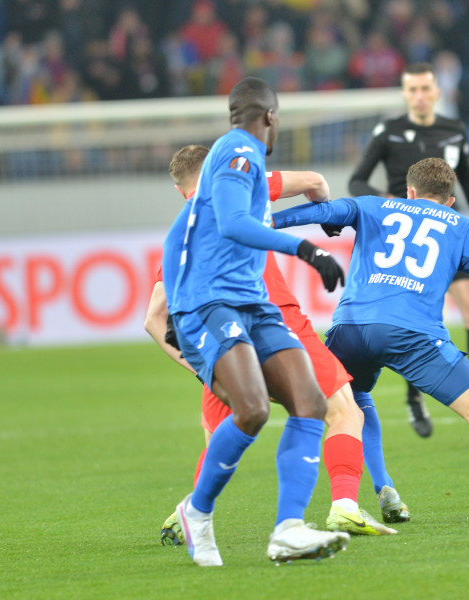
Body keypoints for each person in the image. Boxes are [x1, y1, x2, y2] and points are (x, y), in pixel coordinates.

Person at [274, 157, 469, 524]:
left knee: (353, 402)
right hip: (412, 335)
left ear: (409, 192)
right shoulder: (463, 226)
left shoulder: (372, 205)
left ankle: (384, 489)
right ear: (450, 199)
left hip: (350, 328)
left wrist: (264, 224)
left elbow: (322, 210)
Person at [145, 147, 399, 546]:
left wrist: (203, 370)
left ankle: (189, 513)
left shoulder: (180, 236)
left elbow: (153, 319)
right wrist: (327, 213)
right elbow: (315, 181)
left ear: (181, 192)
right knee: (343, 410)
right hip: (276, 323)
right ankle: (343, 506)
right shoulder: (247, 188)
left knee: (221, 436)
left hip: (224, 344)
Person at [162, 76, 350, 567]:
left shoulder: (244, 162)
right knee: (252, 411)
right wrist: (307, 248)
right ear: (271, 116)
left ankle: (288, 528)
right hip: (210, 302)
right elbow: (232, 223)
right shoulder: (239, 153)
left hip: (252, 300)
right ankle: (196, 513)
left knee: (310, 403)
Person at [348, 62, 469, 439]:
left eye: (425, 88)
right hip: (405, 240)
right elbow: (357, 178)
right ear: (404, 94)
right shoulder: (388, 131)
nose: (419, 96)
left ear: (437, 91)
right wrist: (388, 200)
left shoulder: (454, 131)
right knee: (417, 320)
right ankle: (415, 399)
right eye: (412, 90)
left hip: (445, 234)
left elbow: (466, 176)